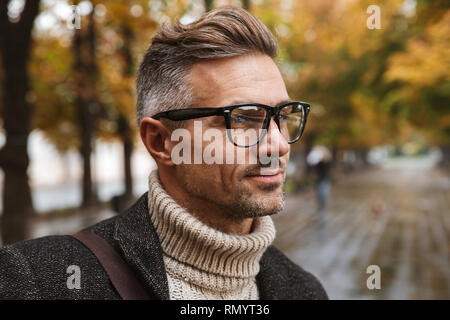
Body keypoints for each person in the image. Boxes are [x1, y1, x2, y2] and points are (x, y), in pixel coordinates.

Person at [0, 6, 328, 300]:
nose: (280, 145)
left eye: (282, 116)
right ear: (160, 142)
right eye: (242, 118)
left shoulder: (305, 290)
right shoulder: (37, 281)